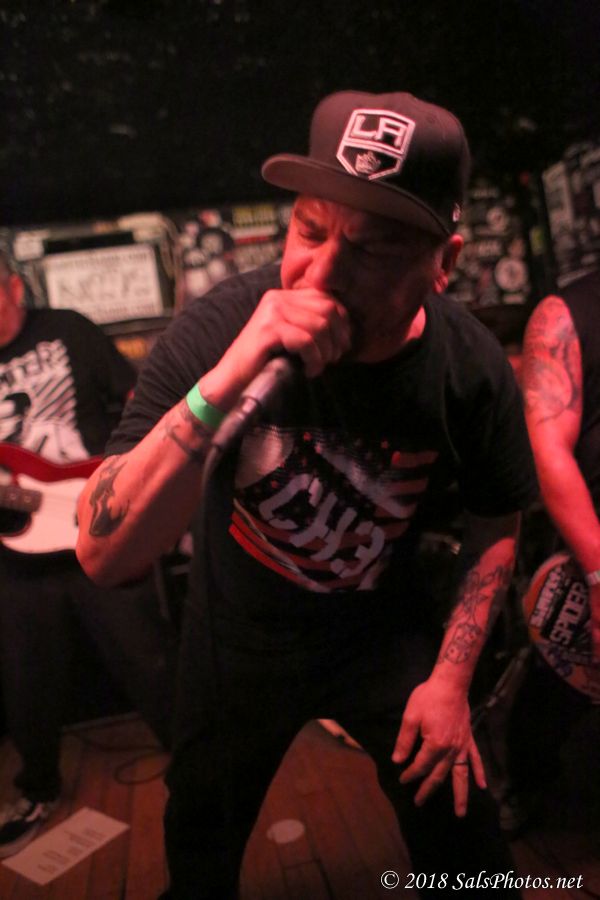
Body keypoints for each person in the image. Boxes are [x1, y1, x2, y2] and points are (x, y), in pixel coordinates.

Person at [76, 91, 537, 898]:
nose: (320, 274)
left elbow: (498, 515)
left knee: (465, 851)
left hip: (385, 641)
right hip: (237, 640)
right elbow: (101, 554)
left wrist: (452, 680)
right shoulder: (220, 328)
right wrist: (227, 379)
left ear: (445, 261)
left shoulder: (469, 368)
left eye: (373, 248)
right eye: (310, 231)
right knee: (200, 847)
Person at [0, 250, 177, 857]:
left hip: (97, 526)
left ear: (14, 287)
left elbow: (139, 400)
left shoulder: (67, 330)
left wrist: (126, 479)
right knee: (25, 679)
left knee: (149, 657)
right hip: (18, 550)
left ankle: (199, 760)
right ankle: (38, 789)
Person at [502, 270, 600, 830]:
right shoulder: (567, 315)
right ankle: (527, 782)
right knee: (557, 686)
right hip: (590, 550)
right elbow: (548, 452)